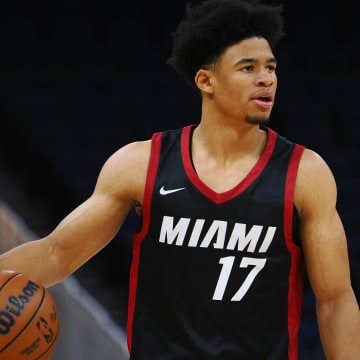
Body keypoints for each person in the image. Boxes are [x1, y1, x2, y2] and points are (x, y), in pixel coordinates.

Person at [1, 0, 359, 358]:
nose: (266, 78)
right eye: (248, 68)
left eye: (270, 67)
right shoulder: (141, 164)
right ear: (206, 80)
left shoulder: (305, 173)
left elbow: (335, 300)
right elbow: (56, 254)